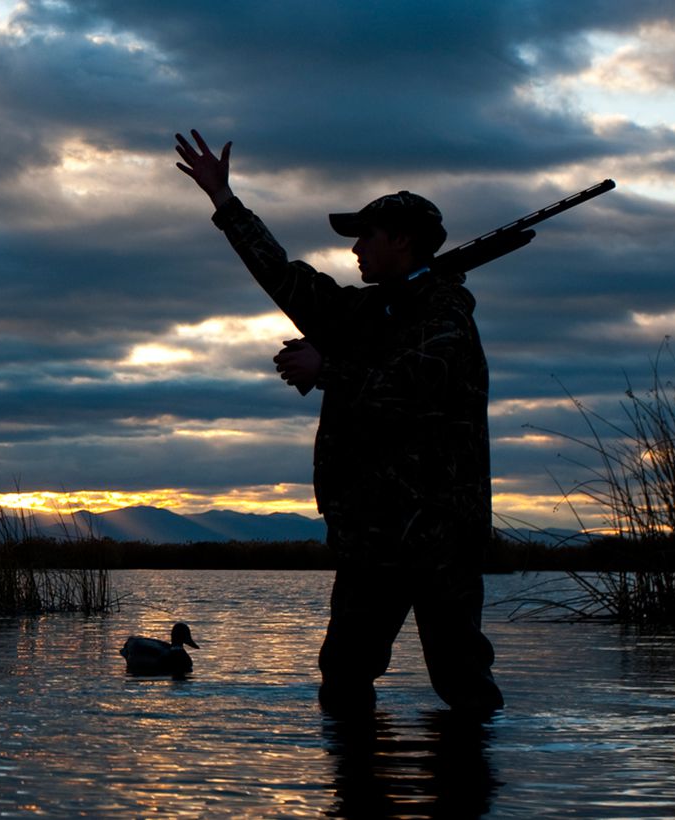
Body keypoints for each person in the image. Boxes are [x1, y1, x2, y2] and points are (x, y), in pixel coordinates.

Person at [174, 129, 504, 717]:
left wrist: (329, 369)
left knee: (461, 679)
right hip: (371, 536)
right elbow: (283, 275)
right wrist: (224, 201)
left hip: (438, 538)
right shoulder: (365, 311)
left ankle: (467, 796)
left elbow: (412, 385)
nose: (354, 249)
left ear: (401, 240)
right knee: (345, 678)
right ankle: (356, 801)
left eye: (365, 236)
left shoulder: (447, 313)